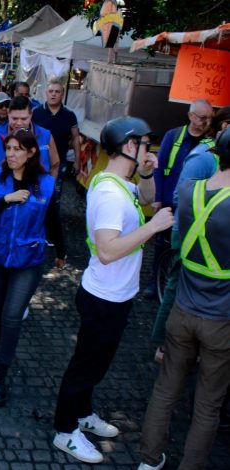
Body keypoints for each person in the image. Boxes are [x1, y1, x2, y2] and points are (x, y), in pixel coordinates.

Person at [51, 116, 174, 464]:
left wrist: (148, 174)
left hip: (117, 295)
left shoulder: (121, 182)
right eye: (145, 143)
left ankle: (83, 412)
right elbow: (106, 251)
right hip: (103, 296)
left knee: (97, 363)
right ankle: (65, 429)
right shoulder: (108, 192)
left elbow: (149, 201)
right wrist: (152, 228)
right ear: (129, 145)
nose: (149, 148)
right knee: (85, 365)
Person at [137, 129, 230, 470]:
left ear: (215, 155)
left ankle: (148, 460)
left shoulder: (190, 190)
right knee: (208, 405)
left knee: (165, 389)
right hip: (222, 321)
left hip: (182, 310)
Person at [0, 129, 65, 407]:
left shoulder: (46, 184)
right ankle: (0, 342)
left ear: (30, 153)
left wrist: (62, 251)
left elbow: (52, 220)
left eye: (18, 149)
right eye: (9, 148)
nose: (12, 154)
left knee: (13, 314)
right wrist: (5, 200)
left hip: (28, 260)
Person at [149, 107, 230, 362]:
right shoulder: (203, 157)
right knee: (176, 284)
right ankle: (163, 343)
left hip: (209, 232)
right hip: (187, 231)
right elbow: (179, 195)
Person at [143, 99, 215, 298]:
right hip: (168, 201)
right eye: (202, 118)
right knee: (161, 243)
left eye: (210, 118)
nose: (207, 122)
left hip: (194, 205)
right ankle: (154, 280)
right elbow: (159, 167)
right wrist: (158, 198)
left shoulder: (211, 142)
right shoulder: (173, 136)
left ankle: (178, 283)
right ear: (191, 116)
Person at [0, 96, 60, 177]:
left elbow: (55, 165)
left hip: (36, 189)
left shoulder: (45, 135)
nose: (19, 123)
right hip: (4, 189)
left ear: (31, 115)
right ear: (8, 113)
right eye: (14, 118)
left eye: (24, 119)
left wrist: (48, 188)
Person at [32, 78, 81, 181]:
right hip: (38, 161)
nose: (53, 94)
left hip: (60, 162)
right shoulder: (35, 113)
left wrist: (77, 161)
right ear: (46, 93)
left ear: (62, 94)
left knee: (55, 193)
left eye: (57, 92)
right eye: (51, 91)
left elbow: (76, 138)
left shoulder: (69, 115)